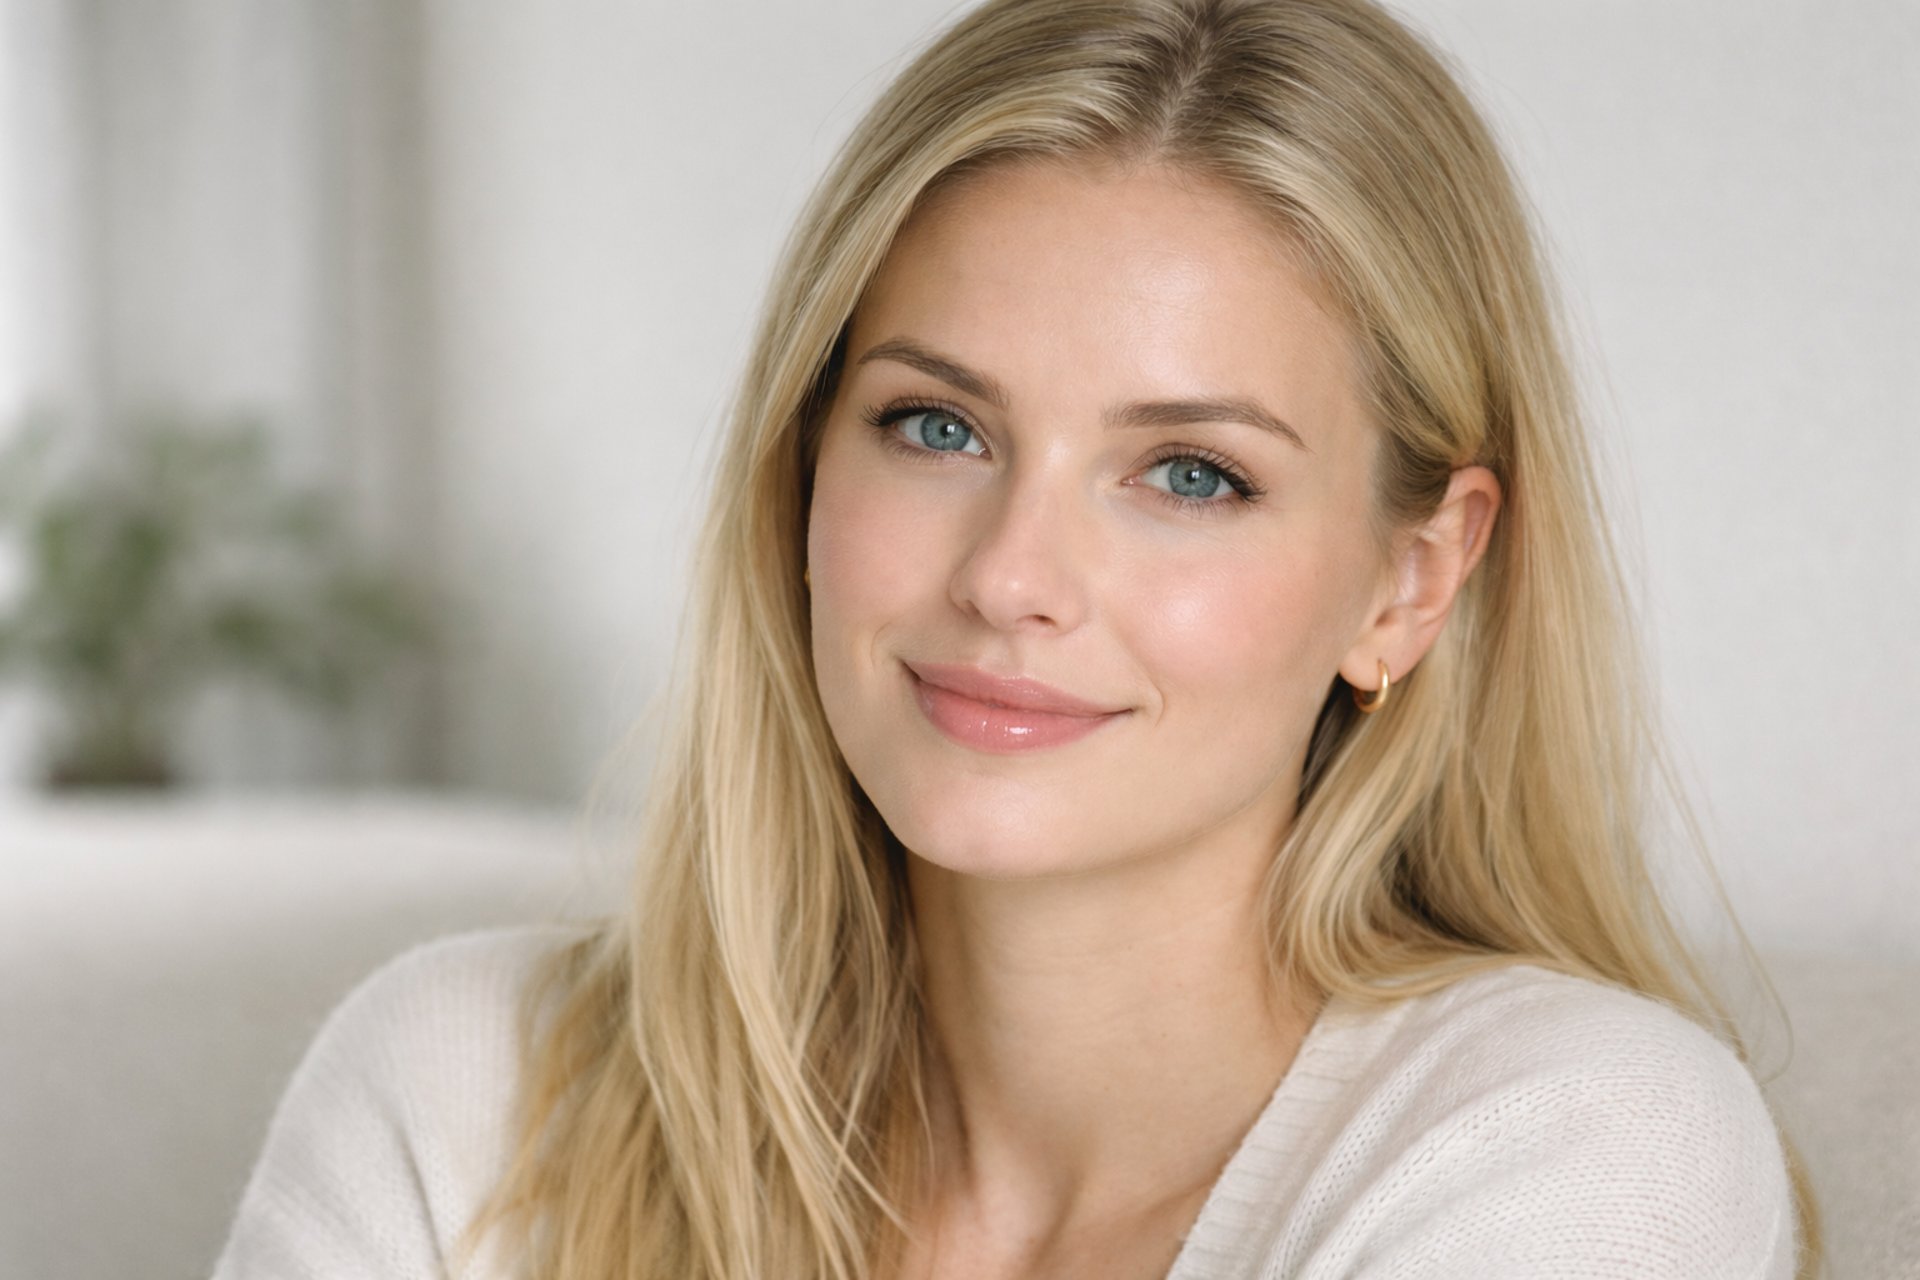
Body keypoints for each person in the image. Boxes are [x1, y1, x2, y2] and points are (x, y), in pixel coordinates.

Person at [213, 0, 1821, 1276]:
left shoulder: (1575, 1148)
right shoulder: (466, 1091)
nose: (1012, 576)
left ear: (1410, 581)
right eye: (936, 427)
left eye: (1190, 474)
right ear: (800, 468)